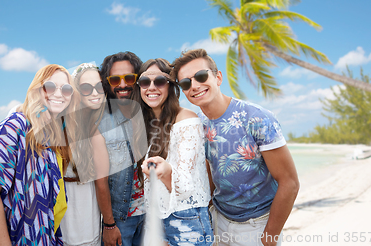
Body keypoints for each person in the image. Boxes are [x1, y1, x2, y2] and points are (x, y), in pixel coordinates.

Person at [171, 49, 299, 246]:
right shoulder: (198, 124)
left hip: (257, 226)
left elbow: (289, 182)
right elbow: (210, 168)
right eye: (186, 83)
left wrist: (269, 237)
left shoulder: (257, 118)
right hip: (219, 221)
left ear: (218, 77)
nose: (194, 86)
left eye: (201, 76)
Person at [0, 64, 76, 245]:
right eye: (51, 86)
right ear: (37, 89)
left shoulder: (50, 141)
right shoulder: (15, 125)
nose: (58, 93)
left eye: (67, 89)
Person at [135, 58, 213, 246]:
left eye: (160, 81)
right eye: (145, 82)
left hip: (187, 218)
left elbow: (185, 187)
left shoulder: (187, 120)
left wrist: (166, 171)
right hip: (156, 217)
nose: (151, 87)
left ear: (170, 86)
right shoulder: (147, 124)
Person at [94, 51, 147, 246]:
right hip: (121, 219)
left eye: (129, 78)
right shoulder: (101, 121)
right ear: (108, 83)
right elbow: (101, 181)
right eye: (115, 79)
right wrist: (109, 225)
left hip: (151, 216)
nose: (123, 84)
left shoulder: (149, 114)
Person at [59, 63, 105, 246]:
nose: (95, 92)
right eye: (86, 87)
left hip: (87, 217)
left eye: (100, 87)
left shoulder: (96, 127)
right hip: (60, 216)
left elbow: (102, 183)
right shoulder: (58, 124)